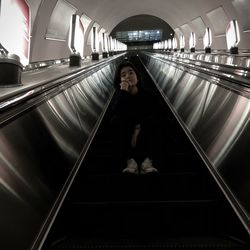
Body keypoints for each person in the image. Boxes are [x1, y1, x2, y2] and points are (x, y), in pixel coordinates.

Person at [110, 60, 161, 174]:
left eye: (131, 72)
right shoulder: (118, 98)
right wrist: (123, 91)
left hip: (145, 134)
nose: (128, 76)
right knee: (115, 121)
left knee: (155, 120)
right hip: (128, 137)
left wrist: (137, 129)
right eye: (123, 75)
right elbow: (118, 114)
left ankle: (148, 161)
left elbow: (157, 116)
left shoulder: (150, 95)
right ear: (120, 81)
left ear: (137, 76)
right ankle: (129, 161)